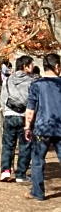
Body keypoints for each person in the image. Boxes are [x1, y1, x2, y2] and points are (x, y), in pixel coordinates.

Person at [24, 52, 61, 201]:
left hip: (42, 127)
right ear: (57, 66)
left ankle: (38, 192)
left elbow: (30, 109)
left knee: (38, 161)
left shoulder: (36, 85)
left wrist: (27, 127)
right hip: (59, 127)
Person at [0, 55, 35, 182]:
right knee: (25, 145)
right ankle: (21, 174)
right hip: (24, 116)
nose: (33, 66)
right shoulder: (32, 81)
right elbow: (33, 101)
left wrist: (5, 111)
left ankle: (5, 171)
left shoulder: (8, 80)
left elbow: (3, 98)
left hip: (9, 115)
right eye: (31, 64)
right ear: (25, 66)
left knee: (8, 145)